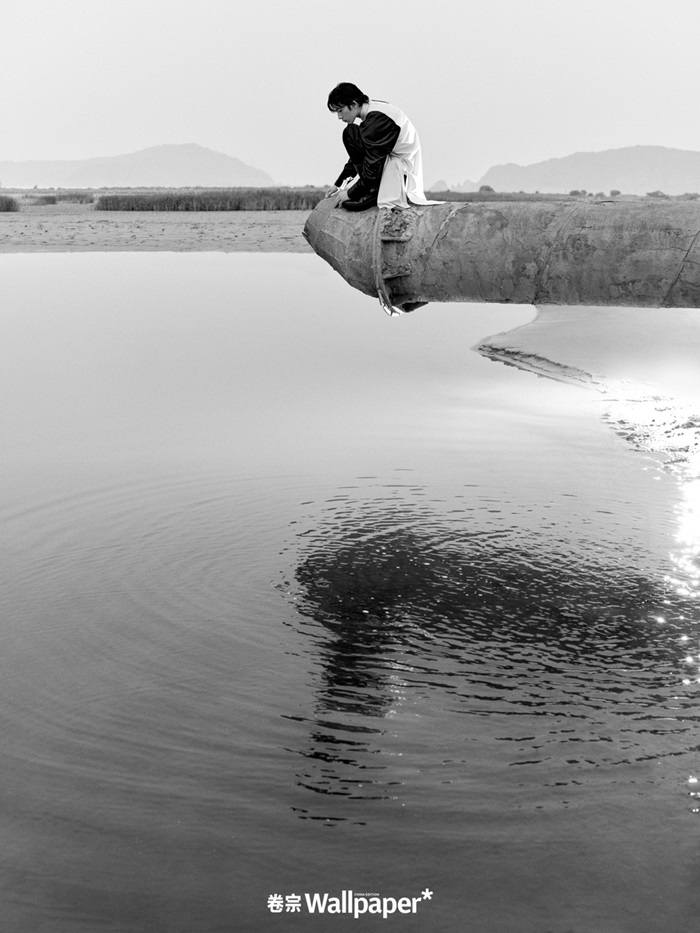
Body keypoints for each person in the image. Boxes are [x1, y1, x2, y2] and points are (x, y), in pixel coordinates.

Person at [325, 82, 439, 211]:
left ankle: (371, 192)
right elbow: (361, 154)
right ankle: (370, 190)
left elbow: (371, 166)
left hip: (401, 172)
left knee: (350, 133)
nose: (339, 117)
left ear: (354, 104)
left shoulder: (377, 120)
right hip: (392, 163)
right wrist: (339, 184)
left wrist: (350, 193)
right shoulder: (373, 112)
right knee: (352, 133)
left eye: (340, 111)